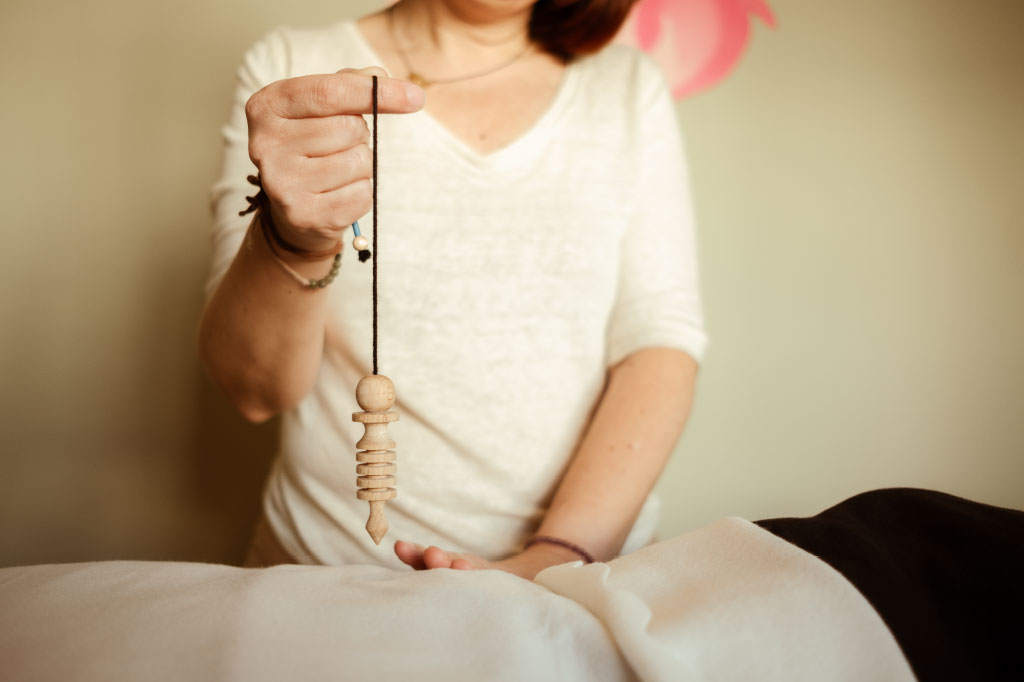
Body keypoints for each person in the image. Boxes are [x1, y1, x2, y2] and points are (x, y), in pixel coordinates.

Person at [199, 0, 708, 580]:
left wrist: (552, 562)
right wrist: (295, 239)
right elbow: (254, 392)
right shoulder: (293, 67)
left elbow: (658, 345)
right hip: (326, 579)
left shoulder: (627, 88)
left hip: (578, 580)